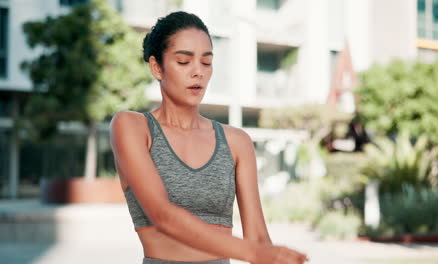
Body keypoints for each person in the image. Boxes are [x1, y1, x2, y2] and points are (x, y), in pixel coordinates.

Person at [110, 11, 309, 264]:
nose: (198, 72)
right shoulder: (133, 127)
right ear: (157, 67)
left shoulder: (237, 142)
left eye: (206, 62)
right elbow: (162, 215)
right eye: (183, 62)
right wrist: (253, 253)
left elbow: (258, 239)